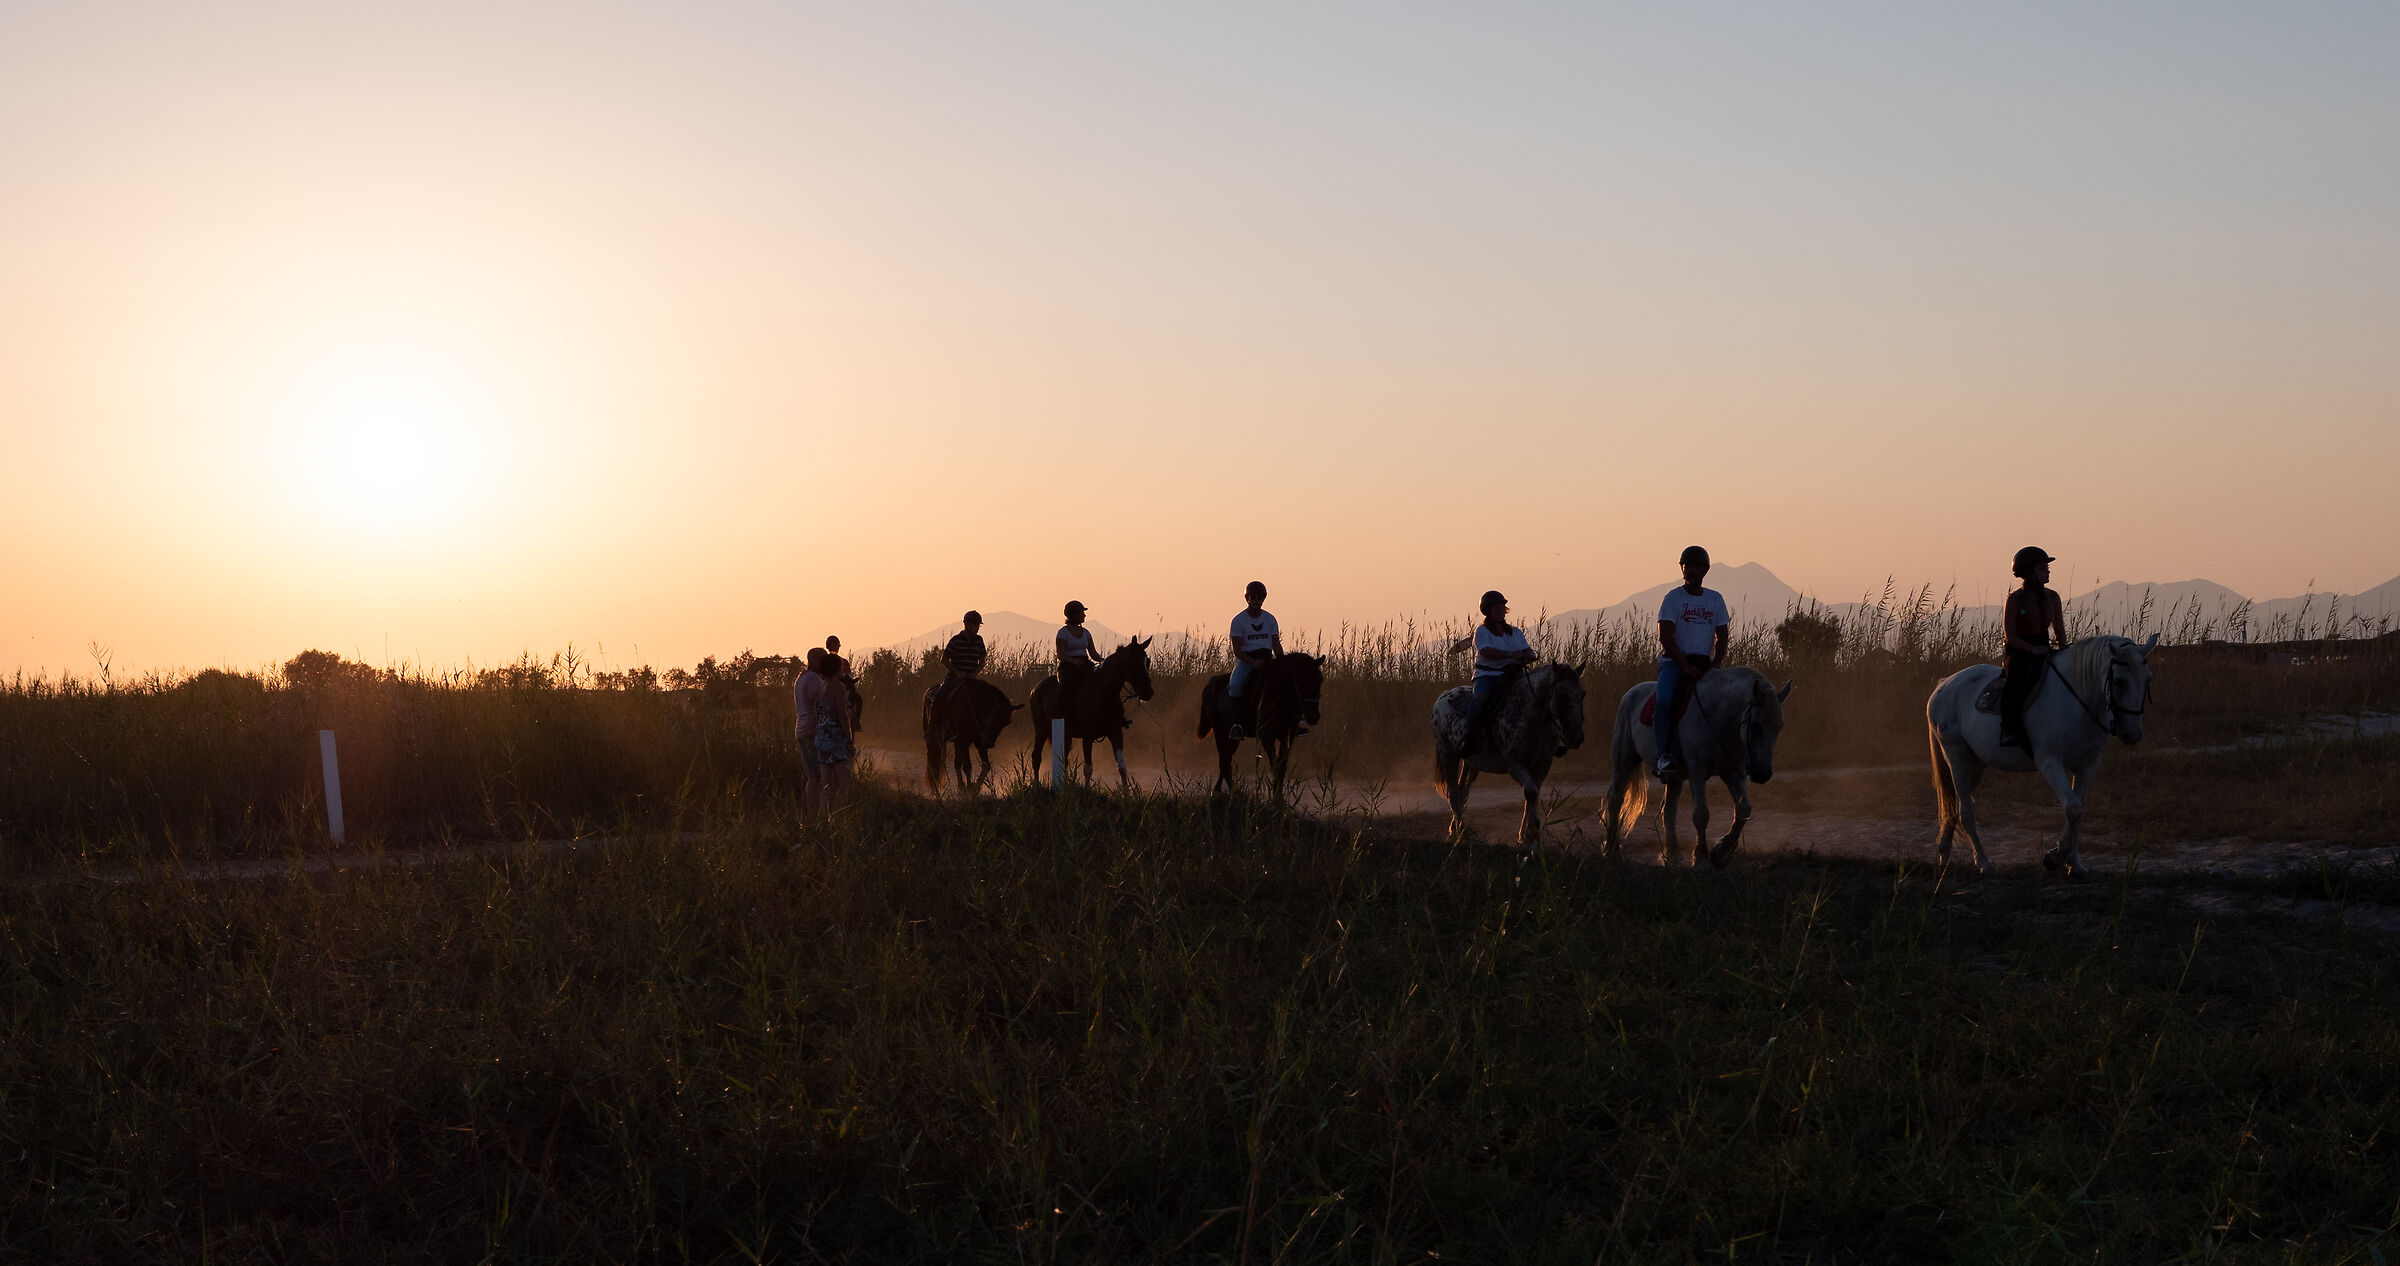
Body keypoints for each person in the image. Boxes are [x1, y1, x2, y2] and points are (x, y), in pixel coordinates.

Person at [1655, 545, 1731, 778]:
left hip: (1704, 665)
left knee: (1728, 703)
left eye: (1697, 567)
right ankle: (1663, 756)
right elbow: (1665, 636)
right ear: (1682, 569)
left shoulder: (1715, 599)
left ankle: (1728, 753)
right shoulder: (1673, 598)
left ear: (1705, 570)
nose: (1692, 571)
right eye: (1688, 567)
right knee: (1664, 703)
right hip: (1674, 664)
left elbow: (1723, 636)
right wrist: (1684, 666)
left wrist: (1716, 663)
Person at [1446, 590, 1537, 756]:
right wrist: (1511, 655)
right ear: (1487, 611)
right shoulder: (1481, 632)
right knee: (1480, 699)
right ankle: (1468, 736)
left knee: (1535, 698)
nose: (1500, 610)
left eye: (1502, 607)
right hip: (1487, 676)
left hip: (1513, 676)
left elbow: (1527, 650)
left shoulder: (1516, 632)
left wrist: (1531, 656)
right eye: (1496, 607)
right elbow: (1486, 651)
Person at [1998, 545, 2068, 750]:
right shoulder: (2014, 599)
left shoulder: (2053, 597)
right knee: (2015, 680)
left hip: (2044, 647)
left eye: (2047, 567)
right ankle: (2008, 728)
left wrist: (2064, 648)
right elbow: (2010, 637)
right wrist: (2033, 650)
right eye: (2042, 568)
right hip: (2019, 651)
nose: (2048, 571)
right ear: (2029, 572)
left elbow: (2059, 630)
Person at [1225, 581, 1285, 741]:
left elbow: (1275, 643)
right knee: (1235, 685)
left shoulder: (1270, 619)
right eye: (1253, 597)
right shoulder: (1238, 621)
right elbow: (1237, 650)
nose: (1257, 600)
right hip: (1246, 662)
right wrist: (1253, 662)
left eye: (1260, 597)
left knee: (1285, 683)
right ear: (1247, 598)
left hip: (1267, 659)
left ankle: (1292, 721)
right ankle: (1236, 724)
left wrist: (1282, 661)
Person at [930, 611, 987, 715]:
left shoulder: (979, 641)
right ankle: (932, 728)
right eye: (976, 625)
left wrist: (974, 673)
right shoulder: (956, 640)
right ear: (968, 625)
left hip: (971, 679)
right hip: (953, 679)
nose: (978, 628)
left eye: (978, 625)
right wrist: (957, 673)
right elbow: (944, 659)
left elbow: (982, 661)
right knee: (939, 698)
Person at [794, 647, 828, 813]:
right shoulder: (814, 679)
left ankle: (811, 815)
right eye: (823, 660)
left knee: (812, 777)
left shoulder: (801, 678)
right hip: (812, 731)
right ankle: (821, 814)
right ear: (814, 661)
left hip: (802, 730)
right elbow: (824, 698)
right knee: (822, 775)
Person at [1055, 600, 1103, 720]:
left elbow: (1093, 654)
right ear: (1075, 615)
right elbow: (1061, 654)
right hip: (1068, 667)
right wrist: (1073, 661)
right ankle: (1062, 714)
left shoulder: (1086, 633)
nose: (1084, 615)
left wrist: (1105, 661)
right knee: (1066, 687)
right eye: (1082, 613)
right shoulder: (1063, 633)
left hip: (1085, 664)